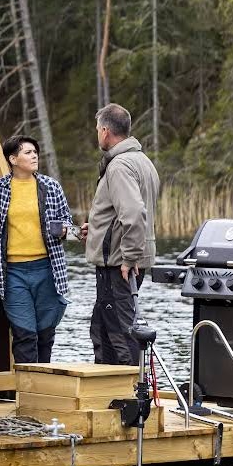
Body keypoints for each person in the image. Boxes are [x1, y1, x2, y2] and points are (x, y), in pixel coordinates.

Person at [0, 135, 74, 365]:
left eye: (35, 152)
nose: (34, 156)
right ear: (13, 159)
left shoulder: (51, 187)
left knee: (45, 335)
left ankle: (43, 389)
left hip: (47, 269)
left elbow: (68, 224)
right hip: (13, 273)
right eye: (28, 152)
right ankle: (26, 392)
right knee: (24, 335)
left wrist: (65, 230)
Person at [82, 103, 160, 365]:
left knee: (119, 332)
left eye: (97, 129)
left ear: (105, 131)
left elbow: (135, 213)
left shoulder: (119, 166)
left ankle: (131, 395)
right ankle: (112, 392)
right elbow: (123, 213)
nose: (97, 134)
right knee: (103, 328)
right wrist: (94, 229)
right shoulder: (142, 161)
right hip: (124, 259)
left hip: (119, 264)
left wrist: (129, 257)